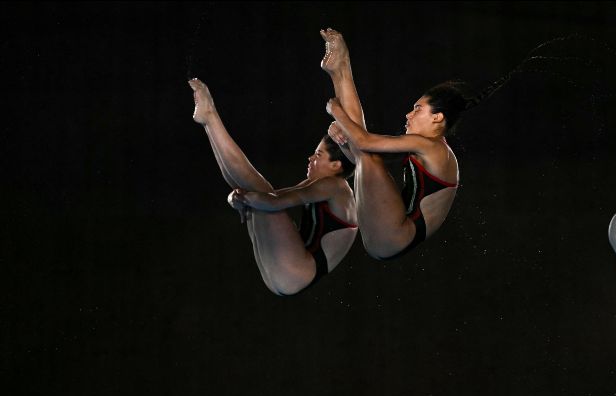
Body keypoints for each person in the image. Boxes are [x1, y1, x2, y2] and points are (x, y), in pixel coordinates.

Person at [188, 78, 358, 296]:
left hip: (295, 271)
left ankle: (210, 117)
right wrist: (239, 199)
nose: (310, 158)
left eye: (318, 155)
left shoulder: (336, 187)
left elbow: (275, 201)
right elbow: (268, 197)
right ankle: (208, 122)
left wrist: (243, 198)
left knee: (258, 189)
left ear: (336, 165)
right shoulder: (325, 186)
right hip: (286, 276)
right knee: (254, 193)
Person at [320, 28, 462, 260]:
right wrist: (342, 135)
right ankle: (340, 71)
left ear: (437, 117)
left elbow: (364, 142)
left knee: (367, 152)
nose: (408, 115)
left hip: (395, 236)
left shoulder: (433, 147)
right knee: (366, 157)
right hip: (388, 238)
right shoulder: (430, 147)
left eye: (417, 109)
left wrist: (337, 112)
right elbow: (359, 156)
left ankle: (341, 70)